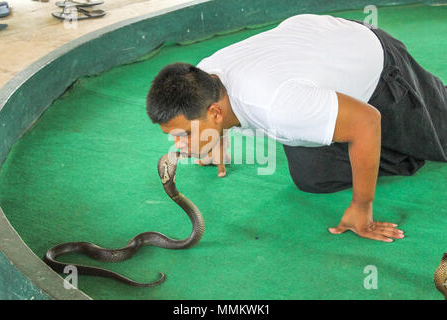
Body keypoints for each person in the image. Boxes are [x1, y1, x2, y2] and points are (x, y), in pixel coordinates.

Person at [146, 14, 446, 243]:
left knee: (436, 136)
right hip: (307, 60)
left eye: (184, 134)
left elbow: (368, 120)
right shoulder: (202, 77)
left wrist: (361, 207)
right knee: (313, 178)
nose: (178, 143)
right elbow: (216, 110)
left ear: (214, 113)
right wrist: (215, 139)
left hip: (370, 61)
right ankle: (350, 127)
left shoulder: (279, 107)